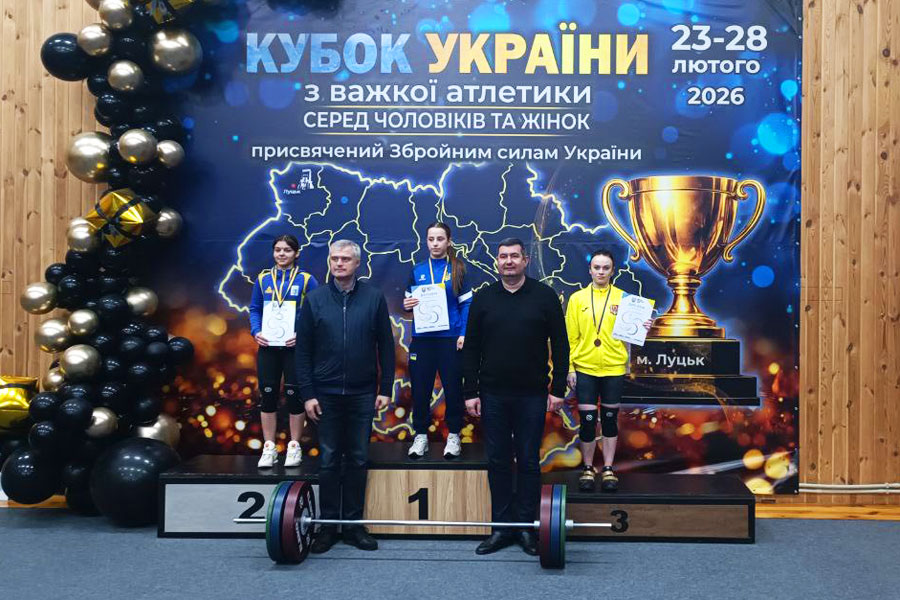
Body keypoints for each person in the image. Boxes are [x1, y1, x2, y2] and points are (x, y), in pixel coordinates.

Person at [462, 238, 568, 557]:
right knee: (497, 461)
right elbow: (471, 348)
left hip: (532, 395)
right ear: (497, 262)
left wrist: (558, 389)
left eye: (514, 256)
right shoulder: (484, 298)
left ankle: (525, 527)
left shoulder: (545, 296)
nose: (508, 261)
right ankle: (501, 528)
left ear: (525, 260)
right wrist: (470, 392)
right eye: (503, 256)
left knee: (528, 461)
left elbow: (561, 345)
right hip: (492, 394)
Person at [296, 239, 395, 553]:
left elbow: (386, 346)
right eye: (334, 259)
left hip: (362, 394)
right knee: (328, 460)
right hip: (324, 395)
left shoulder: (374, 298)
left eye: (345, 259)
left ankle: (352, 526)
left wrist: (385, 388)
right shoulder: (314, 300)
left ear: (357, 264)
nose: (339, 264)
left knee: (357, 458)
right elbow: (302, 352)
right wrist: (308, 394)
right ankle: (328, 527)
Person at [565, 249, 651, 492]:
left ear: (613, 271)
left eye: (605, 268)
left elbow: (632, 333)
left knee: (610, 420)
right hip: (585, 368)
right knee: (588, 422)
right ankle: (588, 468)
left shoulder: (624, 299)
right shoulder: (577, 299)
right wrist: (570, 368)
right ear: (590, 270)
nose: (601, 272)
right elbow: (570, 338)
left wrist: (643, 326)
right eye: (597, 267)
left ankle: (608, 468)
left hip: (614, 368)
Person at [402, 222, 473, 460]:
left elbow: (466, 304)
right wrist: (407, 305)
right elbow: (408, 302)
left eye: (440, 239)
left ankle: (453, 435)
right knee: (420, 389)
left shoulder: (459, 269)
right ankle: (420, 435)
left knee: (453, 389)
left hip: (450, 339)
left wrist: (463, 333)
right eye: (431, 239)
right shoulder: (417, 270)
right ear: (426, 241)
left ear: (448, 241)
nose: (435, 244)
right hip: (422, 339)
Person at [249, 234, 318, 468]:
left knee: (293, 396)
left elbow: (316, 312)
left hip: (294, 348)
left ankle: (294, 446)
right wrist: (256, 331)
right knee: (267, 395)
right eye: (278, 249)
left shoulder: (306, 280)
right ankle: (269, 447)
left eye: (287, 250)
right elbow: (255, 309)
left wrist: (302, 335)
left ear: (296, 253)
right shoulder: (263, 279)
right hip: (268, 347)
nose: (281, 254)